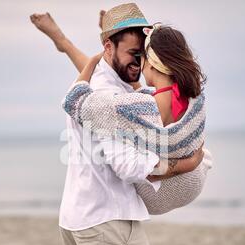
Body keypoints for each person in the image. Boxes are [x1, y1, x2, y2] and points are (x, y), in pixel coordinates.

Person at [29, 3, 212, 245]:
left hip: (78, 220)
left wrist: (63, 42)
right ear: (108, 48)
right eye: (134, 55)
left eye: (144, 56)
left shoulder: (109, 84)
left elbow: (104, 74)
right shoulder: (108, 98)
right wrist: (185, 166)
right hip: (109, 222)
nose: (139, 65)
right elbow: (126, 164)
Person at [63, 23, 210, 214]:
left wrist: (92, 62)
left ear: (152, 62)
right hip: (195, 179)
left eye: (140, 57)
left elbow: (74, 100)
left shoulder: (137, 107)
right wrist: (190, 163)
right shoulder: (195, 98)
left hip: (160, 193)